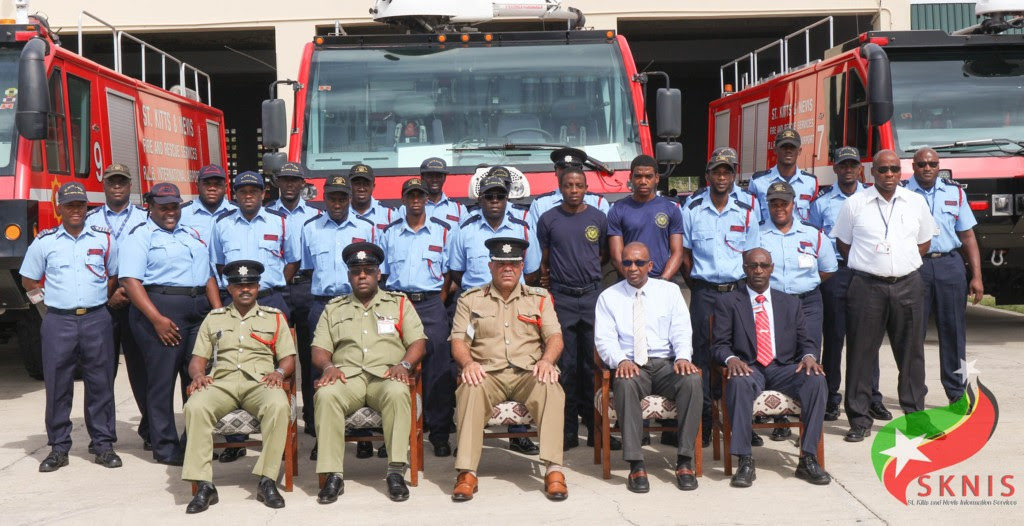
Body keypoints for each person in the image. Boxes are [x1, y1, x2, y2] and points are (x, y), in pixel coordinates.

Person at [449, 237, 567, 502]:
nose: (507, 269)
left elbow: (555, 337)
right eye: (501, 263)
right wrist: (468, 364)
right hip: (487, 374)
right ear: (490, 266)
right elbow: (458, 341)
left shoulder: (539, 298)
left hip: (529, 372)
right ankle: (467, 472)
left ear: (522, 266)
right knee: (469, 387)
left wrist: (547, 361)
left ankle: (554, 470)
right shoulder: (470, 300)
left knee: (551, 387)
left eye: (513, 264)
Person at [832, 149, 937, 442]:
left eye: (893, 169)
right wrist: (872, 266)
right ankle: (859, 420)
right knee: (861, 354)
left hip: (908, 285)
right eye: (883, 170)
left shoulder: (915, 203)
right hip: (867, 287)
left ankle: (916, 418)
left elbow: (924, 242)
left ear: (901, 172)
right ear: (871, 173)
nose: (889, 175)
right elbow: (844, 244)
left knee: (912, 355)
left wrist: (899, 263)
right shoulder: (855, 204)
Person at [311, 242, 426, 504]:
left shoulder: (399, 304)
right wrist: (328, 367)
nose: (362, 275)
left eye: (368, 270)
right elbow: (319, 348)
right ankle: (333, 475)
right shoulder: (333, 308)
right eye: (356, 271)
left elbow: (418, 342)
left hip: (386, 378)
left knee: (399, 392)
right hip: (346, 379)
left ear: (378, 274)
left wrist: (404, 365)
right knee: (326, 396)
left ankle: (396, 470)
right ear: (349, 276)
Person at [20, 182, 122, 472]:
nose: (76, 211)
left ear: (86, 208)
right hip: (58, 321)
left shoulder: (104, 239)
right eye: (70, 205)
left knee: (101, 383)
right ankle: (58, 448)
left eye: (80, 205)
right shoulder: (45, 241)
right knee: (57, 386)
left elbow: (112, 274)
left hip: (96, 318)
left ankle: (103, 445)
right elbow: (29, 279)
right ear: (59, 208)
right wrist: (45, 305)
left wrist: (100, 297)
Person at [181, 260, 296, 513]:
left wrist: (279, 372)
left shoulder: (275, 317)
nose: (245, 289)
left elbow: (288, 357)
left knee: (278, 405)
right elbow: (197, 359)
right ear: (230, 289)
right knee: (195, 406)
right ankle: (204, 485)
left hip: (261, 382)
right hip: (221, 382)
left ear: (257, 287)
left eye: (250, 285)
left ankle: (267, 480)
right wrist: (198, 375)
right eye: (239, 285)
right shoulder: (214, 318)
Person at [119, 182, 220, 465]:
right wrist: (157, 319)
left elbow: (208, 274)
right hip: (160, 311)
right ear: (151, 206)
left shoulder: (190, 234)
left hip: (197, 311)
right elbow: (130, 280)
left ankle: (194, 441)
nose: (170, 212)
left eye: (174, 206)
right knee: (161, 382)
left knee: (197, 378)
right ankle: (165, 446)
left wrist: (218, 311)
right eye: (163, 207)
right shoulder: (140, 236)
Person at [712, 248, 830, 488]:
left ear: (772, 268)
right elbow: (719, 345)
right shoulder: (728, 302)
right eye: (753, 266)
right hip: (749, 367)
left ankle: (807, 458)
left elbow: (807, 341)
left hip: (783, 367)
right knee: (738, 382)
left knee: (816, 379)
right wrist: (731, 359)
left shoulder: (789, 303)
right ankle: (745, 460)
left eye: (763, 265)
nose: (758, 270)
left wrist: (809, 356)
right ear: (744, 269)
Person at [594, 242, 703, 493]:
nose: (633, 268)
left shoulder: (670, 291)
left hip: (666, 364)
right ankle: (636, 464)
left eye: (639, 262)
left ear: (650, 265)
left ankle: (685, 460)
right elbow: (604, 339)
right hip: (633, 365)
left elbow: (681, 331)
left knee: (692, 380)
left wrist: (683, 358)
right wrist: (620, 360)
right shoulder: (608, 297)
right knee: (624, 382)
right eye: (627, 263)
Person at [448, 170, 542, 454]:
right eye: (488, 196)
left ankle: (519, 434)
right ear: (480, 199)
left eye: (499, 196)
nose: (494, 201)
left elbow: (534, 271)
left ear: (506, 198)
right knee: (468, 366)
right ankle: (468, 432)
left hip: (516, 304)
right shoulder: (464, 230)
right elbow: (455, 271)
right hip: (476, 308)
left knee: (519, 361)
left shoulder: (523, 228)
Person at [210, 170, 300, 462]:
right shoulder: (221, 224)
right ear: (234, 195)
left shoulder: (280, 222)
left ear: (264, 194)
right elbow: (218, 265)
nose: (248, 195)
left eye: (254, 190)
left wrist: (266, 288)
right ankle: (235, 440)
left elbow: (292, 262)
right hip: (234, 301)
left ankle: (280, 435)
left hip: (271, 298)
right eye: (242, 191)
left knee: (281, 365)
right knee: (232, 362)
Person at [681, 147, 760, 446]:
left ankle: (741, 421)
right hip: (704, 293)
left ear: (734, 175)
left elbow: (753, 255)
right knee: (700, 356)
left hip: (738, 292)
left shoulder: (748, 208)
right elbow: (686, 255)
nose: (722, 176)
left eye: (727, 171)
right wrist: (700, 285)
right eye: (717, 171)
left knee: (741, 354)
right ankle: (703, 420)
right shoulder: (691, 208)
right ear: (708, 175)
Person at [808, 147, 887, 421]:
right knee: (833, 338)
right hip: (837, 274)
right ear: (836, 169)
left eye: (853, 164)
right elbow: (813, 242)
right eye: (844, 165)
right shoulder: (821, 203)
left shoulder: (873, 199)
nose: (849, 169)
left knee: (869, 338)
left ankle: (872, 396)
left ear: (860, 169)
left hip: (866, 273)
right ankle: (831, 397)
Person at [536, 167, 612, 450]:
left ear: (586, 186)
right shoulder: (549, 219)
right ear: (560, 186)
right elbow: (543, 259)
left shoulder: (598, 218)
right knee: (565, 366)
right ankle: (567, 431)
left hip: (592, 296)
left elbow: (603, 254)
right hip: (562, 298)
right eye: (568, 185)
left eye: (579, 185)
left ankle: (595, 430)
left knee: (592, 364)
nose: (573, 190)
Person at [380, 178, 456, 457]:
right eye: (410, 195)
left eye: (420, 195)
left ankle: (439, 433)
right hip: (399, 304)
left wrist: (439, 300)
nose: (415, 199)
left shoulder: (443, 232)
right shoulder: (389, 233)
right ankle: (397, 434)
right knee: (393, 366)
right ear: (403, 199)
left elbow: (450, 273)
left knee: (439, 371)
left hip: (431, 305)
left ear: (426, 198)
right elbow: (384, 275)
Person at [758, 180, 838, 441]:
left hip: (807, 303)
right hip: (772, 304)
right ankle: (779, 419)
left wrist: (803, 288)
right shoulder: (757, 235)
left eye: (784, 203)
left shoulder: (812, 235)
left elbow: (827, 269)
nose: (779, 208)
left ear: (794, 204)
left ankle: (806, 424)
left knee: (809, 358)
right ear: (767, 206)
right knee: (778, 357)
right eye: (774, 203)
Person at [904, 147, 984, 404]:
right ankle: (915, 395)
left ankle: (957, 393)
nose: (927, 168)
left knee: (954, 332)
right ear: (913, 166)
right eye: (922, 164)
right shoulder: (903, 194)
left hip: (950, 265)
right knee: (912, 334)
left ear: (939, 166)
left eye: (932, 164)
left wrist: (977, 276)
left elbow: (968, 236)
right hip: (916, 267)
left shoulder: (955, 192)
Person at [83, 164, 149, 449]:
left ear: (130, 184)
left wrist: (131, 292)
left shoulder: (146, 217)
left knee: (143, 370)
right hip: (104, 305)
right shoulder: (89, 219)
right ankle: (102, 434)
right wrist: (109, 295)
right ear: (104, 185)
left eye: (122, 181)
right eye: (112, 182)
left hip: (138, 303)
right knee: (99, 372)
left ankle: (151, 429)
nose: (117, 186)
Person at [607, 155, 684, 279]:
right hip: (629, 283)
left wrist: (662, 282)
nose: (643, 181)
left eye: (648, 176)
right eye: (638, 176)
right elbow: (616, 257)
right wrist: (635, 281)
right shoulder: (617, 209)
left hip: (661, 284)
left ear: (657, 178)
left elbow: (678, 253)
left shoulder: (671, 209)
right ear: (630, 177)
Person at [526, 147, 610, 231]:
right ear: (555, 171)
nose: (568, 174)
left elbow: (605, 238)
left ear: (581, 172)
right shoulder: (540, 204)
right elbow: (536, 240)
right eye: (563, 169)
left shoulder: (598, 203)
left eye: (573, 169)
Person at [749, 127, 819, 223]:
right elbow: (751, 220)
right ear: (775, 150)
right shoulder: (758, 182)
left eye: (792, 147)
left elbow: (816, 220)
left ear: (799, 151)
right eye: (784, 147)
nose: (788, 151)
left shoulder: (810, 183)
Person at [348, 163, 395, 234]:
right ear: (349, 186)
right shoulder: (341, 213)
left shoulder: (389, 214)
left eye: (366, 184)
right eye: (357, 184)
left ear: (373, 186)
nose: (361, 189)